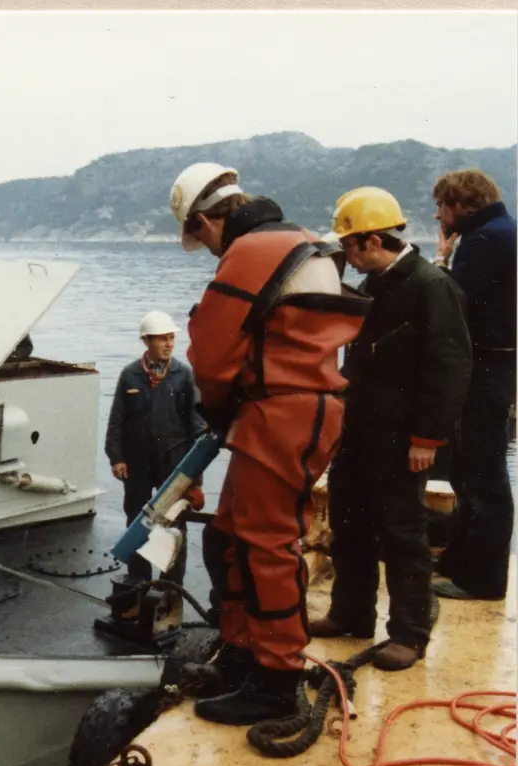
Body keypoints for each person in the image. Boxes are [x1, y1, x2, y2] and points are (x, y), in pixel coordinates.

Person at [169, 162, 371, 726]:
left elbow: (210, 357)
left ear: (209, 219)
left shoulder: (253, 251)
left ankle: (277, 680)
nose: (207, 250)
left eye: (201, 237)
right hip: (295, 412)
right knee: (232, 535)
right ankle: (241, 654)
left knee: (265, 544)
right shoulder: (307, 243)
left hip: (282, 414)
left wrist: (213, 403)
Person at [310, 187, 472, 671]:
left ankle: (408, 633)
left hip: (403, 440)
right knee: (349, 523)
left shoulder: (430, 287)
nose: (348, 258)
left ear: (373, 239)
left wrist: (427, 439)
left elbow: (450, 367)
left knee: (403, 533)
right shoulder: (376, 284)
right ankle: (351, 612)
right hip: (360, 432)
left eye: (350, 248)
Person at [428, 169, 517, 602]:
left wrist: (440, 261)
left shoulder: (484, 240)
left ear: (464, 204)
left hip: (486, 368)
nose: (439, 214)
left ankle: (482, 581)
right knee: (471, 470)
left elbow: (452, 301)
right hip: (499, 366)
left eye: (443, 206)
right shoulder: (502, 230)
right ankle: (460, 562)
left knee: (483, 475)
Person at [105, 310, 207, 593]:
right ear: (146, 341)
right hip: (137, 462)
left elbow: (197, 424)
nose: (169, 344)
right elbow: (117, 420)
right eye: (163, 339)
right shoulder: (130, 375)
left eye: (172, 338)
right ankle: (138, 577)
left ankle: (171, 584)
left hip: (174, 463)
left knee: (174, 523)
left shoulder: (184, 375)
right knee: (136, 517)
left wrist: (194, 474)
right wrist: (117, 457)